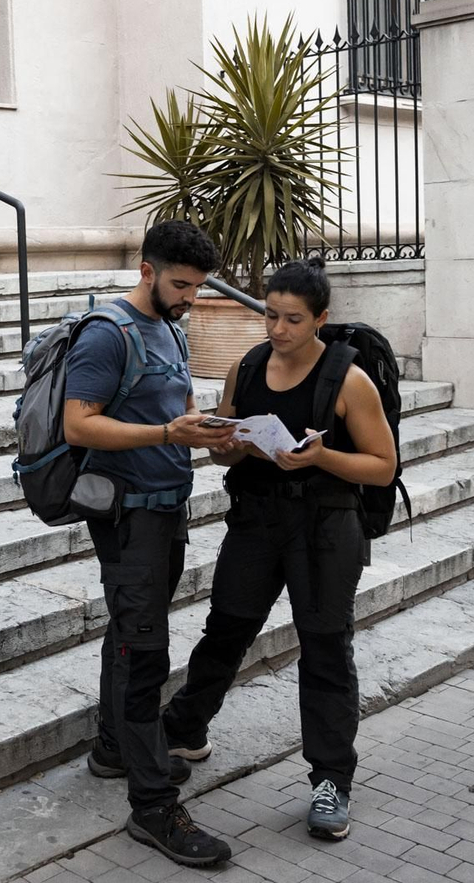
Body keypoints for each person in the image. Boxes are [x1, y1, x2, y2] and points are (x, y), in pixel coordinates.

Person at [161, 256, 396, 842]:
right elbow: (226, 447)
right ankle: (185, 730)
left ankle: (331, 780)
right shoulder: (247, 365)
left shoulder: (349, 379)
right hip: (256, 520)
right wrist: (225, 439)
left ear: (320, 319)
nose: (279, 329)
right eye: (271, 315)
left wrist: (321, 457)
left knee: (324, 647)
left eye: (293, 319)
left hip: (325, 526)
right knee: (227, 627)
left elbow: (382, 466)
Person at [63, 220, 235, 868]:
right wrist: (168, 433)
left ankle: (115, 747)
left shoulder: (172, 327)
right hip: (128, 518)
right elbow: (78, 424)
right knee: (144, 654)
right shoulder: (108, 333)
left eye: (198, 286)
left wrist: (208, 430)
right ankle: (153, 806)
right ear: (147, 270)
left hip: (167, 512)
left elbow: (177, 409)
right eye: (182, 284)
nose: (191, 296)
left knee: (133, 632)